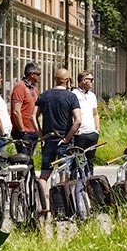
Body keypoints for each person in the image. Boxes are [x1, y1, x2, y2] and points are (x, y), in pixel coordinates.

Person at [35, 68, 82, 212]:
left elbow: (32, 116)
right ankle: (61, 207)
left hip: (48, 140)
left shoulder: (44, 96)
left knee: (44, 175)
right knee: (63, 175)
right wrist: (68, 138)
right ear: (67, 80)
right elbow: (78, 121)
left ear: (55, 79)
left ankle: (42, 206)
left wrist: (41, 135)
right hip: (64, 141)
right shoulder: (71, 97)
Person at [73, 71, 101, 171]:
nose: (93, 82)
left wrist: (97, 129)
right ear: (84, 81)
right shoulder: (74, 94)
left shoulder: (92, 96)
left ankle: (89, 184)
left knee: (90, 162)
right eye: (91, 80)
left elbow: (95, 113)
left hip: (92, 134)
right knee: (76, 163)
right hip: (80, 134)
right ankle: (77, 185)